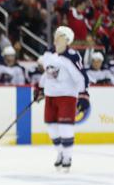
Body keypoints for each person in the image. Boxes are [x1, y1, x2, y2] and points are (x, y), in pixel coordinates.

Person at [34, 26, 88, 171]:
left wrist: (84, 94)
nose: (57, 37)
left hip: (67, 96)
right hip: (51, 96)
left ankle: (67, 156)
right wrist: (40, 88)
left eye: (61, 35)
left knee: (65, 128)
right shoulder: (48, 54)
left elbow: (80, 76)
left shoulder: (72, 55)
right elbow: (47, 73)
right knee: (52, 128)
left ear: (67, 39)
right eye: (56, 35)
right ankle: (60, 153)